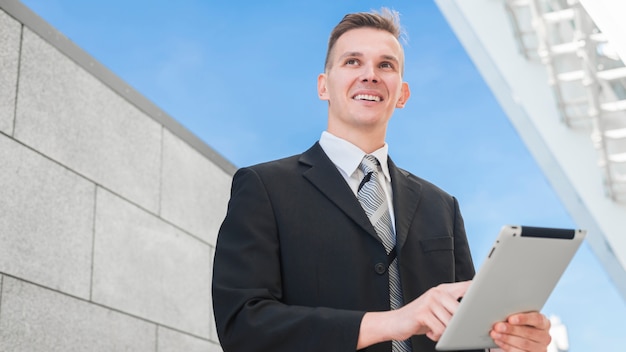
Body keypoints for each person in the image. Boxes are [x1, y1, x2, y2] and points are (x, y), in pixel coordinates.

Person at [212, 8, 552, 352]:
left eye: (385, 65)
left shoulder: (442, 207)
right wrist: (395, 321)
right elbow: (243, 325)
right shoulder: (265, 188)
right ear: (323, 86)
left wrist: (506, 342)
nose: (370, 75)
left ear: (402, 95)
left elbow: (461, 337)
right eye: (352, 62)